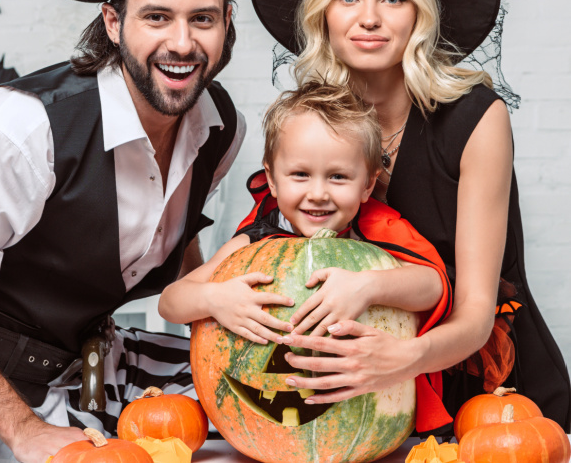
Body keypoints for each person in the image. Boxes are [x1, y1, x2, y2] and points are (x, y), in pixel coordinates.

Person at [0, 0, 273, 463]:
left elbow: (172, 235)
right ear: (113, 23)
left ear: (227, 21)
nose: (182, 44)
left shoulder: (220, 127)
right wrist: (23, 432)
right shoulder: (22, 133)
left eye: (202, 19)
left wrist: (215, 305)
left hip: (90, 372)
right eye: (156, 17)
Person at [248, 0, 571, 432]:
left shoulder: (476, 119)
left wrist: (397, 361)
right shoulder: (310, 124)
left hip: (487, 394)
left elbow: (474, 314)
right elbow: (278, 257)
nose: (368, 17)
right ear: (323, 13)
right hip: (358, 402)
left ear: (420, 14)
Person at [160, 80, 454, 433]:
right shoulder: (255, 241)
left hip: (367, 413)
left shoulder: (379, 231)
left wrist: (368, 287)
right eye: (300, 174)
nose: (318, 194)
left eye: (338, 177)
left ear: (367, 184)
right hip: (265, 427)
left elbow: (434, 285)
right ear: (271, 180)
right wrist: (213, 298)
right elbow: (170, 302)